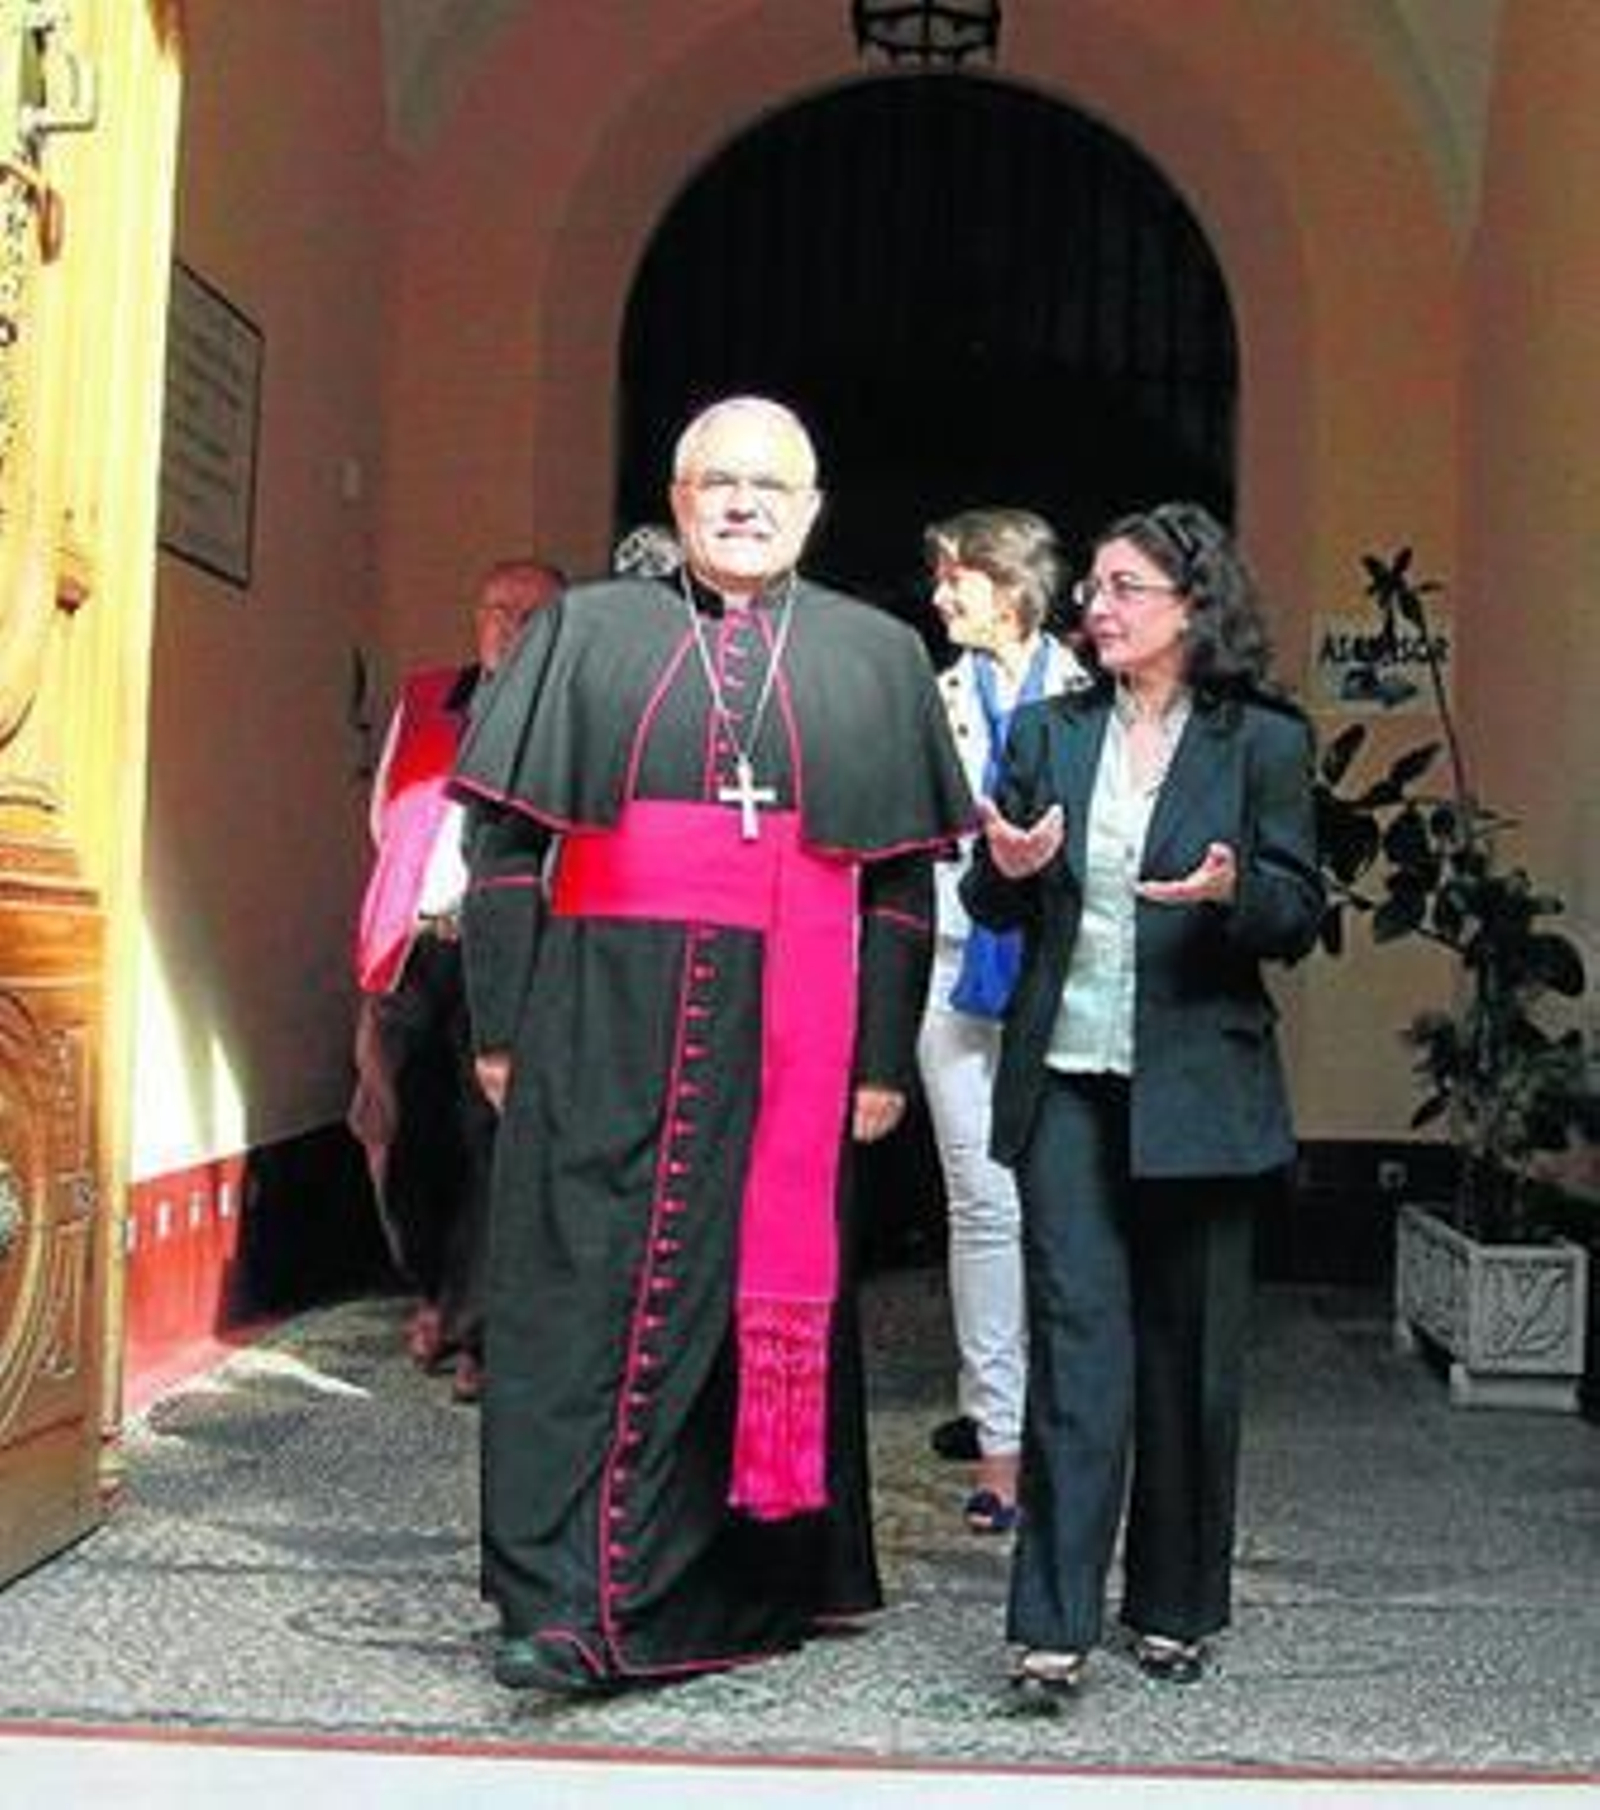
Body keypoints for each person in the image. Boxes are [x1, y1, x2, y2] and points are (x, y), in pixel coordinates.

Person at [453, 395, 973, 1694]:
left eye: (770, 486)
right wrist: (503, 1024)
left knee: (748, 1301)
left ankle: (723, 1586)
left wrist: (879, 1057)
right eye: (717, 482)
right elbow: (506, 848)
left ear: (812, 509)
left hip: (788, 1036)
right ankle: (557, 1593)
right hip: (598, 1011)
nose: (743, 504)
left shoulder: (873, 655)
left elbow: (901, 883)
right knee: (572, 1297)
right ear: (678, 501)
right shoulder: (585, 627)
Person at [963, 501, 1323, 1693]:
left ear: (1191, 607)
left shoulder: (1261, 742)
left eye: (1123, 589)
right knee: (1078, 1347)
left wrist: (1232, 893)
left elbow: (1297, 911)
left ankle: (1173, 1606)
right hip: (1065, 1076)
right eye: (1095, 589)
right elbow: (997, 892)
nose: (1095, 609)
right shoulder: (1047, 732)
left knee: (1190, 1352)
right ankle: (1051, 1625)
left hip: (1200, 1086)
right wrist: (1006, 870)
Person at [347, 558, 564, 1403]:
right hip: (411, 944)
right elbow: (384, 818)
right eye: (492, 609)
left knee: (490, 1137)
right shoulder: (427, 695)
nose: (506, 625)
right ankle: (433, 1289)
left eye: (527, 612)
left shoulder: (565, 711)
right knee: (400, 1130)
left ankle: (478, 1328)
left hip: (506, 950)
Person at [917, 508, 1084, 1534]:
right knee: (981, 1209)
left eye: (954, 581)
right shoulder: (930, 701)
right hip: (951, 967)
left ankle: (1071, 1419)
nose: (938, 598)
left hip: (1062, 980)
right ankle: (998, 1440)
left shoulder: (1086, 697)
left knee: (1065, 1207)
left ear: (1007, 588)